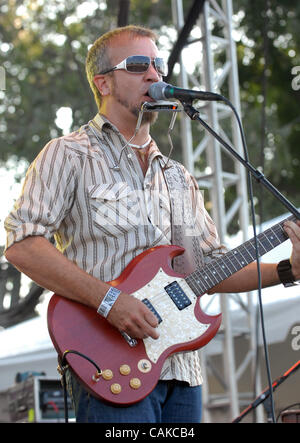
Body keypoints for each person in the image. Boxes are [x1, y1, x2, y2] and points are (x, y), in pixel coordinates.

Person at [4, 25, 300, 423]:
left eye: (158, 65)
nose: (155, 75)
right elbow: (22, 243)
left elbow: (212, 265)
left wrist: (287, 269)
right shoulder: (68, 154)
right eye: (139, 65)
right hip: (109, 365)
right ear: (103, 83)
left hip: (182, 368)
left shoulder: (177, 176)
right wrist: (108, 301)